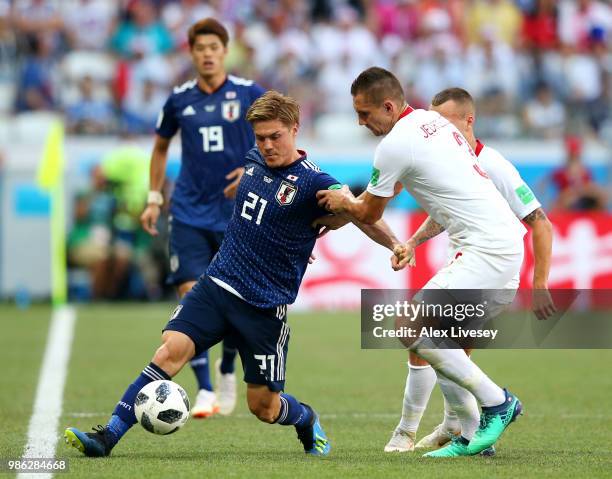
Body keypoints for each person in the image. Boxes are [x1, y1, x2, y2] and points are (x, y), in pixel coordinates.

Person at [64, 90, 401, 458]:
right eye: (261, 138)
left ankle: (305, 418)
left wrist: (396, 244)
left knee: (264, 407)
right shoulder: (253, 159)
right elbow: (256, 185)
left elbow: (362, 213)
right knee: (169, 351)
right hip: (217, 285)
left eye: (276, 136)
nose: (268, 145)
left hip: (263, 307)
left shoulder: (314, 183)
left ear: (295, 129)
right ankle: (108, 436)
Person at [317, 67, 525, 458]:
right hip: (502, 244)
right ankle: (472, 438)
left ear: (389, 106)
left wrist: (344, 201)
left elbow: (367, 210)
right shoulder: (432, 122)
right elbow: (440, 193)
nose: (361, 123)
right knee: (441, 342)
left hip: (486, 248)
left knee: (410, 324)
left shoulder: (395, 144)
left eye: (364, 114)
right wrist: (410, 240)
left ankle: (497, 403)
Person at [383, 87, 555, 454]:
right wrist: (412, 243)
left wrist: (540, 282)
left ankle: (435, 429)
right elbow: (442, 216)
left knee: (426, 335)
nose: (436, 129)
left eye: (444, 121)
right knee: (441, 348)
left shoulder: (493, 164)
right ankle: (464, 432)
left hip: (491, 266)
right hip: (466, 262)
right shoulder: (448, 160)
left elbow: (540, 221)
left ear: (469, 120)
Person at [139, 18, 265, 418]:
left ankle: (227, 368)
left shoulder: (249, 93)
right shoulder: (178, 100)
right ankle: (206, 389)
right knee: (190, 296)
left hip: (238, 215)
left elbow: (280, 135)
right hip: (190, 210)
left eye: (214, 46)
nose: (207, 53)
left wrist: (252, 167)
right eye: (200, 48)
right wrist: (154, 197)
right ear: (191, 53)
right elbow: (160, 148)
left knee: (234, 298)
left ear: (225, 51)